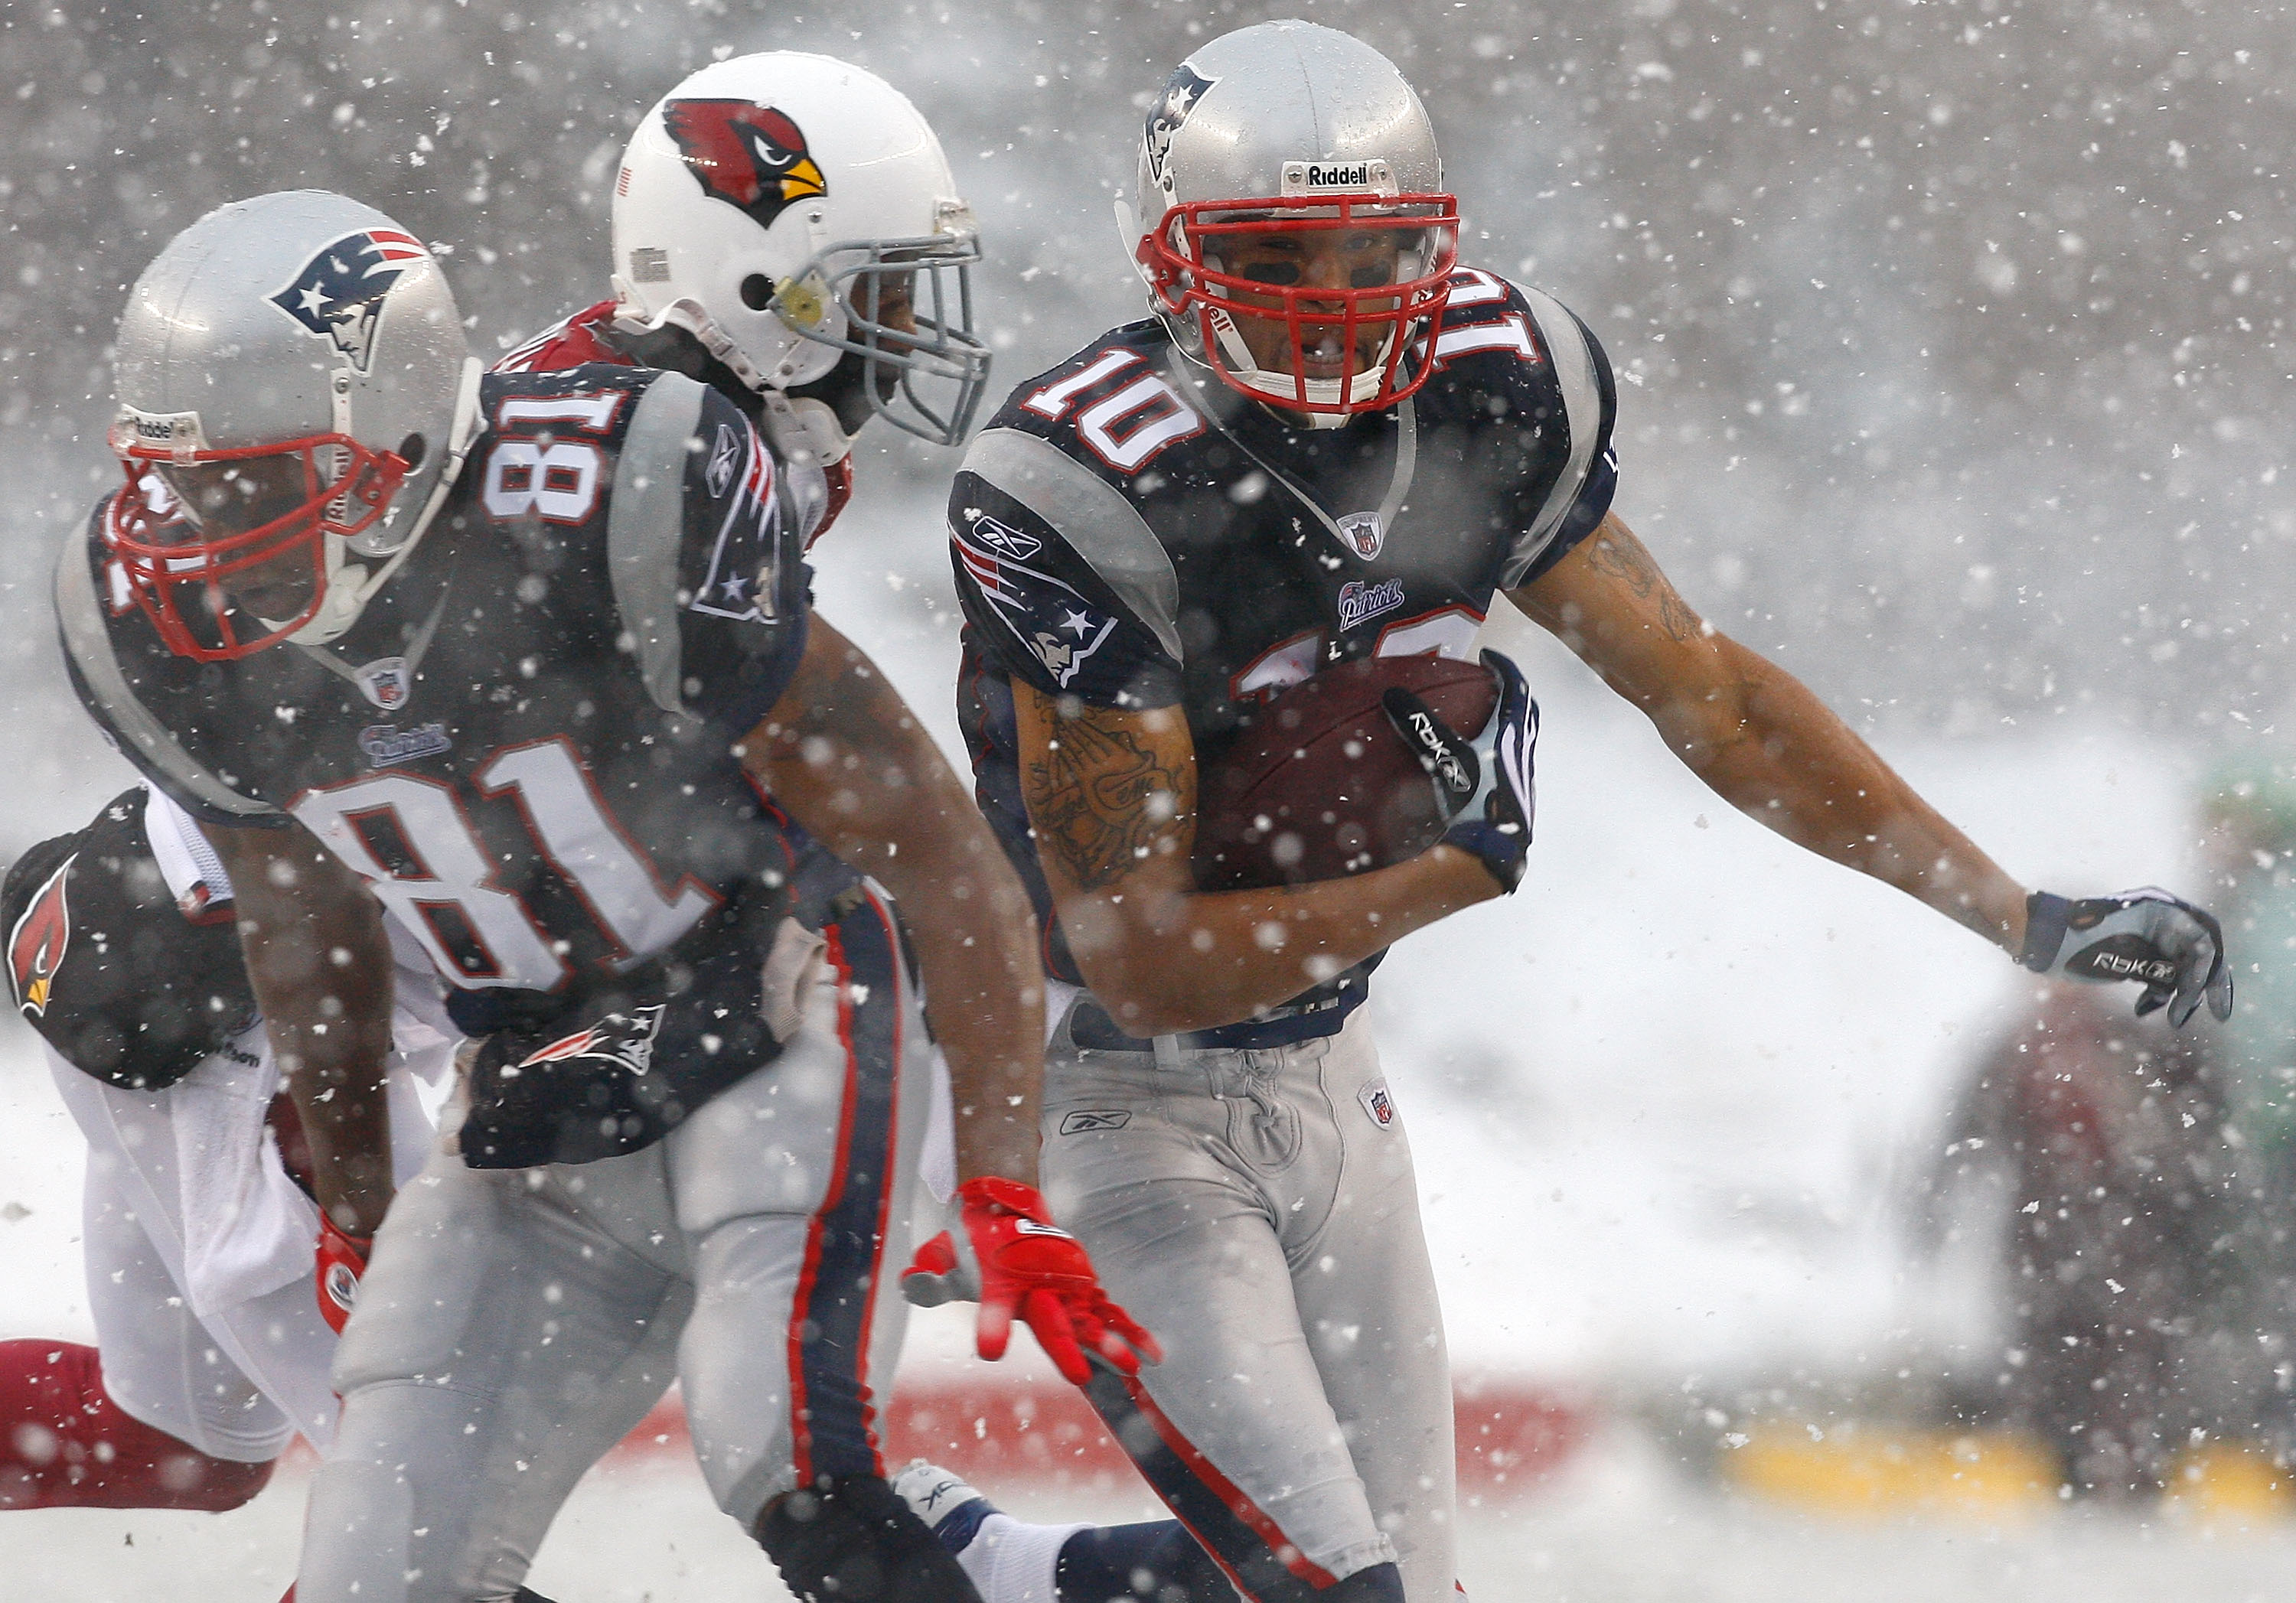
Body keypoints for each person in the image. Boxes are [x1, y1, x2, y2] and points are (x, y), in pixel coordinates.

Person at [907, 21, 2233, 1603]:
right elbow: (1141, 958)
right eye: (1280, 251)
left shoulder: (1495, 384)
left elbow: (1713, 698)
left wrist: (2021, 912)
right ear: (1172, 256)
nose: (1335, 300)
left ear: (1438, 237)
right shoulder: (1086, 484)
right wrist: (1446, 876)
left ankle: (1013, 1575)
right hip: (1112, 1099)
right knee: (1340, 1591)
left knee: (1396, 1588)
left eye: (1376, 249)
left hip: (1334, 1079)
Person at [53, 188, 1150, 1603]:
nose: (201, 540)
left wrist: (1003, 1179)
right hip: (472, 1057)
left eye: (254, 486)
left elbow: (934, 850)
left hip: (772, 991)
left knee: (791, 1458)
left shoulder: (615, 499)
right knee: (365, 1556)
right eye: (182, 488)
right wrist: (360, 1217)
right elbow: (303, 929)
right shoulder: (181, 643)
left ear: (398, 441)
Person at [0, 785, 456, 1513]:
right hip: (245, 1017)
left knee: (183, 1443)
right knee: (424, 1493)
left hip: (204, 963)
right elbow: (299, 901)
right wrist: (358, 1210)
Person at [497, 50, 992, 541]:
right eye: (886, 300)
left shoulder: (760, 420)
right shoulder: (574, 435)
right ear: (759, 289)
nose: (905, 332)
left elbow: (765, 610)